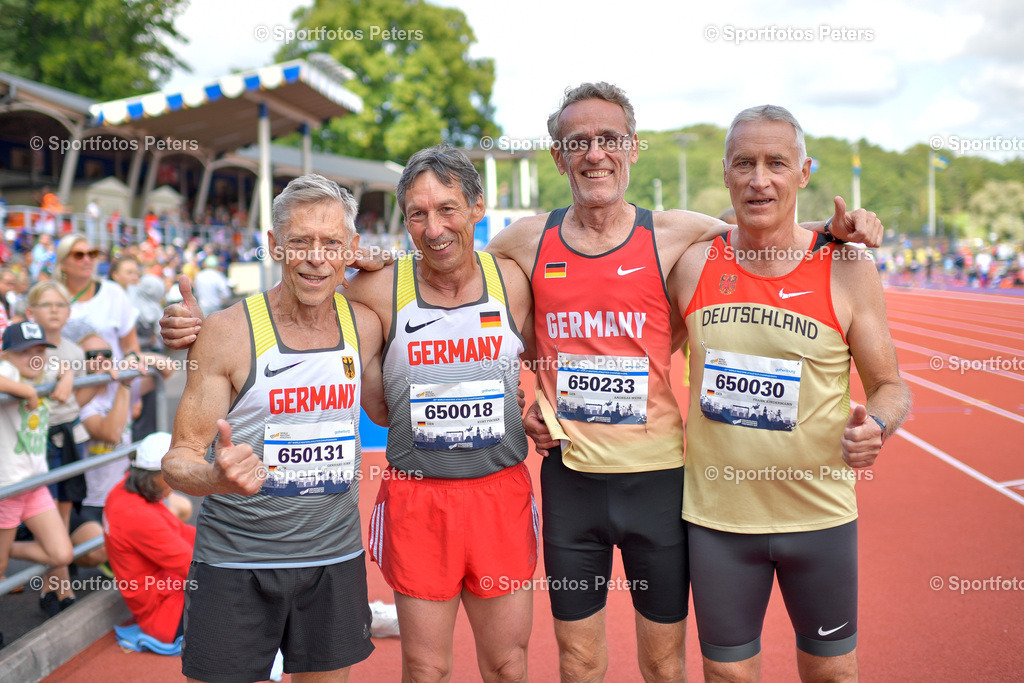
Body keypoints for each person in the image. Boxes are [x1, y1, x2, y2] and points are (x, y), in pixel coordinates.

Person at [485, 83, 882, 682]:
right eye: (579, 142)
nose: (595, 153)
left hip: (661, 482)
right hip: (572, 482)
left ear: (633, 148)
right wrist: (386, 267)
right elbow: (468, 294)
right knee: (580, 658)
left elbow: (757, 217)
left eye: (609, 139)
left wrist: (836, 229)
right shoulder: (524, 239)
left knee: (666, 664)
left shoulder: (673, 234)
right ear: (557, 155)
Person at [667, 105, 911, 682]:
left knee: (833, 675)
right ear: (725, 173)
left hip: (820, 519)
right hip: (718, 521)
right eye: (744, 164)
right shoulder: (692, 264)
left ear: (803, 173)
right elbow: (635, 357)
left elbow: (890, 387)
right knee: (727, 676)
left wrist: (877, 425)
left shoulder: (847, 265)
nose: (759, 179)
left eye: (776, 163)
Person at [162, 174, 385, 682]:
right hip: (236, 562)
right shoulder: (224, 333)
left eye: (332, 243)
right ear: (273, 246)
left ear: (352, 248)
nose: (315, 257)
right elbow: (179, 458)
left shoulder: (365, 325)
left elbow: (390, 415)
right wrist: (214, 480)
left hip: (335, 557)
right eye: (300, 241)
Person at [348, 145, 536, 681]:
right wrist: (195, 330)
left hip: (499, 496)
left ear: (477, 206)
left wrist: (542, 402)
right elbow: (298, 307)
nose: (434, 228)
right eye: (418, 214)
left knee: (508, 665)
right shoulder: (380, 289)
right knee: (425, 668)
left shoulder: (513, 282)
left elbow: (558, 352)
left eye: (447, 208)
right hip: (419, 500)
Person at [0, 321, 75, 609]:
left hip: (34, 483)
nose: (34, 358)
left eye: (39, 351)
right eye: (24, 352)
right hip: (8, 486)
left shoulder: (43, 366)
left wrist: (67, 376)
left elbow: (59, 363)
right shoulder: (7, 370)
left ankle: (6, 551)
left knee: (61, 555)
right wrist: (27, 391)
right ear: (6, 355)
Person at [103, 431, 196, 644]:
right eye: (171, 476)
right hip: (168, 616)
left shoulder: (123, 490)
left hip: (167, 600)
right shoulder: (137, 515)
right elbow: (194, 567)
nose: (176, 483)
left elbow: (182, 533)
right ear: (154, 476)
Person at [56, 234, 142, 362]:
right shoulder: (52, 296)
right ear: (63, 263)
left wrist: (128, 372)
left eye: (92, 254)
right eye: (79, 255)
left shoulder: (113, 292)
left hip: (111, 377)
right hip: (66, 377)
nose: (87, 259)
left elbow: (130, 346)